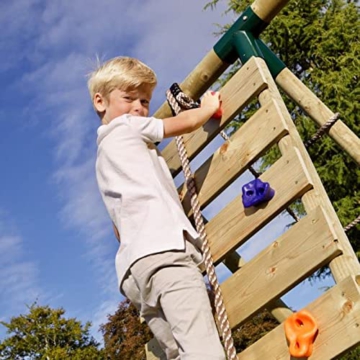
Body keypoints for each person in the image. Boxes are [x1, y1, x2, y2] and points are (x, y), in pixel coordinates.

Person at [87, 56, 225, 360]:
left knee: (177, 353)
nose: (138, 107)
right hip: (165, 254)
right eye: (129, 98)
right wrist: (206, 108)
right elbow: (181, 123)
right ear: (101, 102)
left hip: (133, 273)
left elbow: (117, 227)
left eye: (145, 101)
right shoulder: (127, 127)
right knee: (204, 353)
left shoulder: (103, 159)